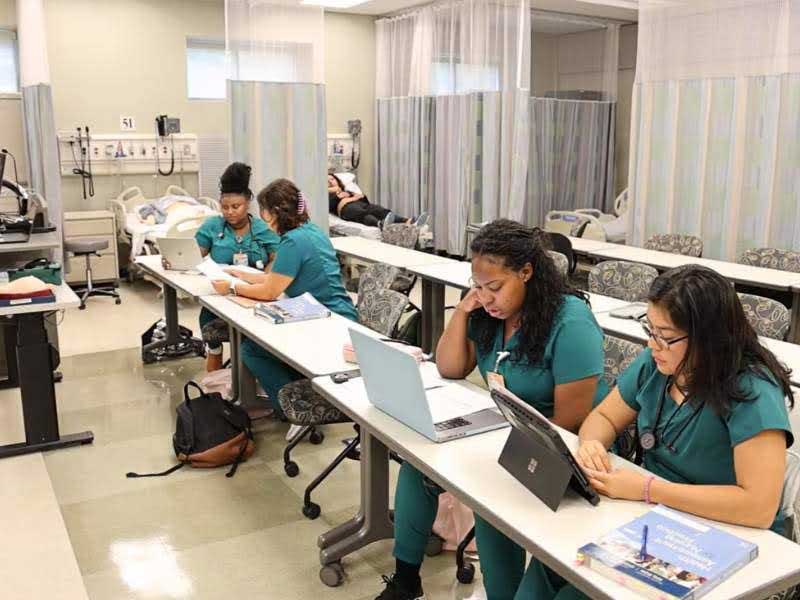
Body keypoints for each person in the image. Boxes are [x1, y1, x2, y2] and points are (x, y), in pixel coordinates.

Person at [523, 265, 794, 600]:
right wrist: (592, 443)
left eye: (665, 336)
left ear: (709, 337)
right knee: (547, 564)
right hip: (652, 513)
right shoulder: (659, 363)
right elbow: (604, 416)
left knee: (579, 592)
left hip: (722, 529)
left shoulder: (751, 389)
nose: (653, 344)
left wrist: (649, 489)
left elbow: (758, 506)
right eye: (650, 330)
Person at [375, 219, 608, 600]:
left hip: (560, 449)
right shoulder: (487, 313)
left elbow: (571, 423)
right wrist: (465, 311)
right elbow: (450, 367)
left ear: (527, 272)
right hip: (505, 431)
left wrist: (505, 449)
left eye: (495, 287)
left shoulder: (570, 321)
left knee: (488, 498)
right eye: (478, 286)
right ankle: (405, 580)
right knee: (420, 466)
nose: (486, 297)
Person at [225, 178, 357, 420]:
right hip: (337, 314)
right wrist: (244, 276)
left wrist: (232, 287)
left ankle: (290, 408)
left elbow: (270, 293)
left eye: (263, 210)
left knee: (252, 349)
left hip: (327, 322)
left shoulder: (293, 241)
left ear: (274, 212)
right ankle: (301, 390)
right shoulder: (310, 232)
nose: (262, 216)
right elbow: (276, 279)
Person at [192, 162, 280, 371]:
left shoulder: (262, 228)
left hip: (253, 293)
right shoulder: (212, 226)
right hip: (221, 292)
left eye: (236, 207)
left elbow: (277, 257)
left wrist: (267, 277)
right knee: (206, 318)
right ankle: (214, 351)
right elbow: (194, 255)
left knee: (250, 333)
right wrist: (177, 260)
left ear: (248, 202)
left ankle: (248, 367)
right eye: (225, 207)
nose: (230, 212)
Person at [327, 173, 427, 229]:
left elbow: (361, 196)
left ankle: (409, 221)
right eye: (327, 181)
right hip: (346, 209)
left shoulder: (347, 191)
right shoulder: (324, 195)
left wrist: (349, 197)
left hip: (359, 204)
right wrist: (345, 196)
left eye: (332, 179)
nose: (330, 182)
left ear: (337, 180)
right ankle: (380, 224)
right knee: (362, 214)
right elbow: (332, 202)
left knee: (378, 209)